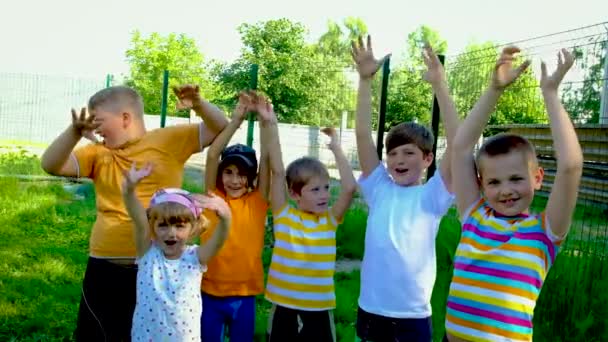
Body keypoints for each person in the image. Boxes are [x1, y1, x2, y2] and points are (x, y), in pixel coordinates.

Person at [40, 84, 228, 341]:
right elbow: (50, 164)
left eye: (99, 121)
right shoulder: (97, 153)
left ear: (125, 118)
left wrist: (198, 103)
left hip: (161, 267)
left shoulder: (169, 140)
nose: (94, 128)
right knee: (97, 334)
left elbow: (220, 125)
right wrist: (73, 132)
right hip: (106, 265)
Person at [445, 47, 583, 342]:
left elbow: (571, 166)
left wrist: (550, 94)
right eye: (493, 182)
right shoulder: (474, 214)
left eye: (516, 179)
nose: (505, 190)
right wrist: (494, 89)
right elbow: (459, 148)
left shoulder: (544, 231)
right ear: (481, 185)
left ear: (537, 178)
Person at [351, 35, 459, 341]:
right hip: (370, 311)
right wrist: (365, 81)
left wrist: (440, 85)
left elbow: (458, 142)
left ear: (427, 158)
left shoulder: (433, 195)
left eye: (408, 152)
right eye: (392, 153)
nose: (398, 159)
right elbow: (362, 135)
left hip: (412, 318)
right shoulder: (379, 188)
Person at [259, 95, 357, 342]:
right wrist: (271, 125)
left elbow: (348, 188)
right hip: (284, 305)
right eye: (315, 190)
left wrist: (336, 149)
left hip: (319, 308)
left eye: (325, 187)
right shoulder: (284, 215)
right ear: (294, 194)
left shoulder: (330, 220)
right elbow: (278, 171)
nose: (324, 195)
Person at [121, 162, 231, 341]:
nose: (171, 233)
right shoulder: (147, 253)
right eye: (163, 225)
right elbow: (138, 217)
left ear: (193, 227)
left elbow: (219, 240)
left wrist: (226, 218)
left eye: (179, 226)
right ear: (152, 226)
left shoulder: (195, 257)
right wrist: (129, 190)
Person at [199, 90, 270, 341]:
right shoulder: (212, 198)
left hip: (244, 295)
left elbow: (269, 161)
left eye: (242, 174)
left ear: (251, 178)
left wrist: (264, 122)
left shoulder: (258, 201)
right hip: (209, 292)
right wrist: (237, 118)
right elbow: (211, 154)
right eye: (228, 172)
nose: (235, 179)